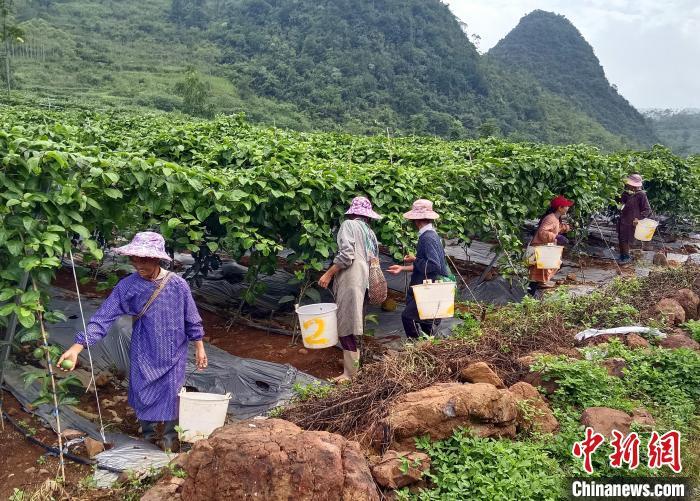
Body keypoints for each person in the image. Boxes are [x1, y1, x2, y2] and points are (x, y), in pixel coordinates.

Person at [58, 232, 207, 452]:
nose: (138, 264)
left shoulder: (178, 285)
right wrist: (77, 346)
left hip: (174, 351)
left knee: (172, 393)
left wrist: (199, 347)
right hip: (143, 349)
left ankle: (168, 438)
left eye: (143, 259)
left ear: (157, 259)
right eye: (134, 258)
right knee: (141, 389)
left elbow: (191, 318)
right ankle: (147, 435)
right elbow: (103, 317)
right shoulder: (128, 286)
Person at [318, 197, 381, 383]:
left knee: (345, 325)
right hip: (364, 280)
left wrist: (328, 274)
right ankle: (352, 365)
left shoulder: (348, 225)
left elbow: (346, 255)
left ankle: (350, 374)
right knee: (353, 324)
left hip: (351, 280)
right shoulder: (370, 232)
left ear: (353, 212)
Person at [387, 199, 448, 340]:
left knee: (408, 317)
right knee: (426, 320)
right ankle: (428, 349)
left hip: (426, 286)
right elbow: (427, 263)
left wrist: (416, 260)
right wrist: (402, 268)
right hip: (428, 284)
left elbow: (434, 265)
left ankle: (415, 348)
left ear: (417, 220)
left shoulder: (428, 238)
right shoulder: (430, 235)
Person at [527, 195, 573, 296]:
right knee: (536, 276)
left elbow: (554, 228)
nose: (568, 208)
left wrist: (564, 228)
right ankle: (528, 298)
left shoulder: (555, 218)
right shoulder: (551, 218)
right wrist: (556, 237)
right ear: (560, 208)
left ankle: (533, 292)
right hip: (540, 249)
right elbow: (542, 232)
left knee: (539, 274)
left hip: (543, 249)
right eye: (566, 206)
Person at [617, 174, 652, 264]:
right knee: (621, 238)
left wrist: (638, 219)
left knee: (626, 239)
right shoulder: (626, 193)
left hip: (631, 222)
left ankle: (626, 257)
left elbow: (647, 210)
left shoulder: (641, 195)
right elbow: (621, 203)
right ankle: (623, 256)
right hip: (623, 220)